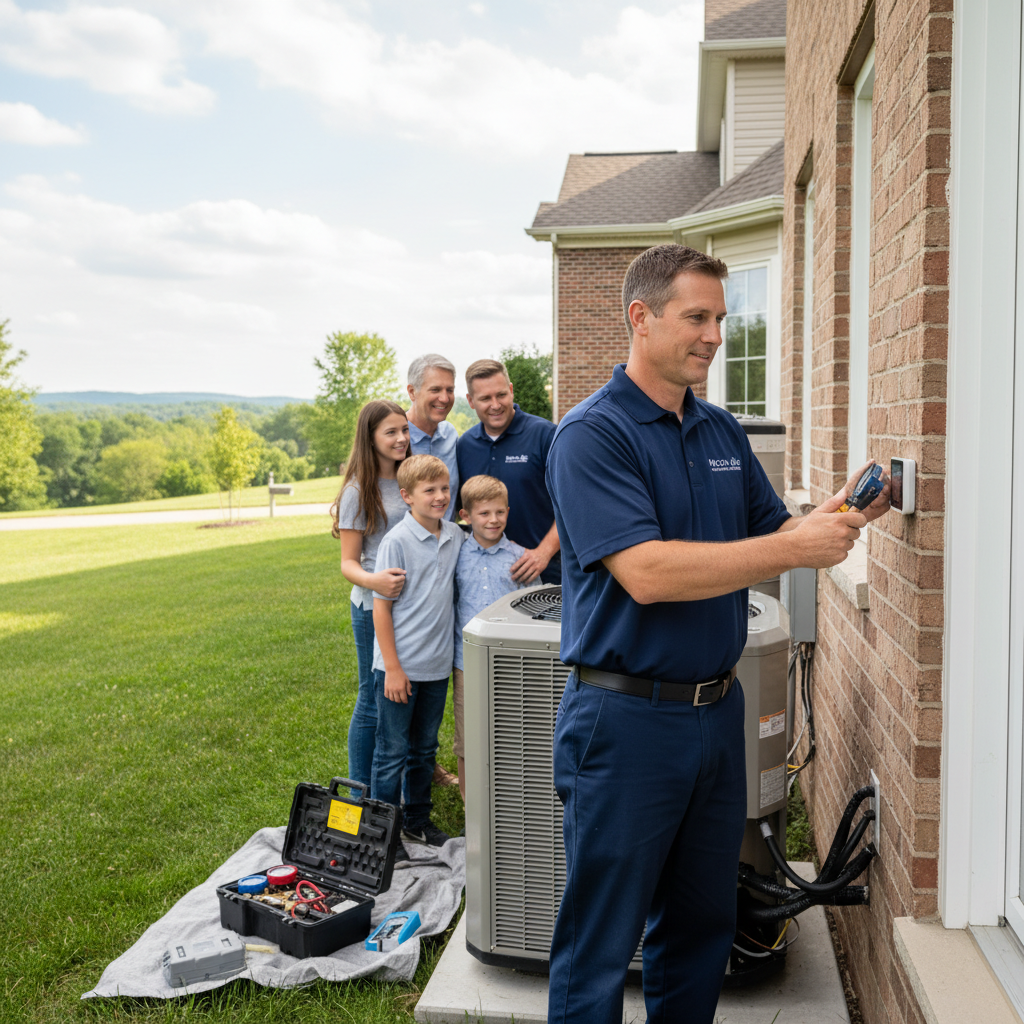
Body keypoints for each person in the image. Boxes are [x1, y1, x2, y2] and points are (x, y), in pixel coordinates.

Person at [544, 243, 891, 1024]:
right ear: (641, 318)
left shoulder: (720, 432)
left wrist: (840, 512)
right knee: (600, 942)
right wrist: (792, 548)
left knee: (700, 928)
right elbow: (648, 573)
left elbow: (775, 532)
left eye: (720, 319)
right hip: (626, 722)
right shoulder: (591, 436)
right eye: (696, 317)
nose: (714, 335)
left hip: (714, 716)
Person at [371, 454, 465, 862]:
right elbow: (380, 607)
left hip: (437, 666)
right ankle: (383, 832)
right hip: (399, 668)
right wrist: (392, 667)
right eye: (430, 490)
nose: (440, 496)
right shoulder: (397, 541)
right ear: (407, 496)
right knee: (391, 752)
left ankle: (417, 820)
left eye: (444, 488)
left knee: (425, 749)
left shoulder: (456, 536)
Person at [331, 400, 410, 790]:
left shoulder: (409, 477)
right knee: (371, 698)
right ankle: (358, 794)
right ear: (371, 437)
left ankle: (402, 787)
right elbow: (348, 563)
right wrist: (375, 580)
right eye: (390, 432)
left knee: (403, 695)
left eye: (405, 430)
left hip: (412, 606)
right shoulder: (358, 491)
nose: (401, 439)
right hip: (372, 605)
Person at [451, 474, 527, 800]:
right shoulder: (455, 556)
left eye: (500, 512)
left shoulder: (521, 559)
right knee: (468, 735)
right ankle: (472, 807)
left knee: (511, 733)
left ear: (508, 511)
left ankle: (509, 798)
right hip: (465, 661)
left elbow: (532, 613)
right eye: (484, 513)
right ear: (465, 516)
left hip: (511, 664)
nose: (493, 520)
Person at [456, 359, 560, 585]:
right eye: (485, 398)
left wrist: (543, 553)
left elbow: (574, 503)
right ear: (471, 401)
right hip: (484, 577)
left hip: (545, 571)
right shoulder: (464, 446)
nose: (495, 405)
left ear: (511, 391)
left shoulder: (546, 436)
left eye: (501, 395)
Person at [406, 354, 459, 522]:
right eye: (435, 390)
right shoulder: (394, 439)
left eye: (449, 390)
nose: (444, 398)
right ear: (412, 392)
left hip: (447, 546)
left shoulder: (450, 435)